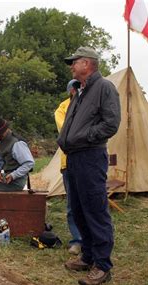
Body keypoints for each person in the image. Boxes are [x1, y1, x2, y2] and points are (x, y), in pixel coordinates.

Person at [57, 47, 121, 285]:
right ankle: (88, 255)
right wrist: (67, 140)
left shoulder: (104, 87)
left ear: (87, 63)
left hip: (90, 156)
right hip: (73, 157)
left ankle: (102, 266)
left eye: (74, 62)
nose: (71, 66)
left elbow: (111, 124)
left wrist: (84, 137)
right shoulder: (80, 91)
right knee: (79, 208)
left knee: (95, 209)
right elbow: (71, 124)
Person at [54, 79, 82, 256]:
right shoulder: (62, 108)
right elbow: (67, 132)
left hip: (89, 161)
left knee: (90, 202)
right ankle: (77, 240)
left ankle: (92, 239)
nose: (79, 90)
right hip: (70, 161)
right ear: (71, 90)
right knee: (73, 203)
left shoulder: (90, 103)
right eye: (76, 87)